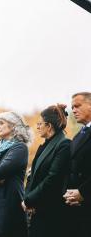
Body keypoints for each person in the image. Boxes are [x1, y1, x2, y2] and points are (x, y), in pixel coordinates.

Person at [22, 104, 71, 237]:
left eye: (39, 124)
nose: (37, 127)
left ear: (49, 126)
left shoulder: (63, 145)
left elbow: (52, 178)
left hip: (51, 212)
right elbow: (32, 176)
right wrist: (27, 198)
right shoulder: (43, 146)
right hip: (36, 210)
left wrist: (29, 200)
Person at [63, 92, 91, 237]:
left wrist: (83, 192)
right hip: (76, 207)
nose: (73, 110)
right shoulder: (78, 135)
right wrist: (70, 194)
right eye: (72, 107)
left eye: (77, 106)